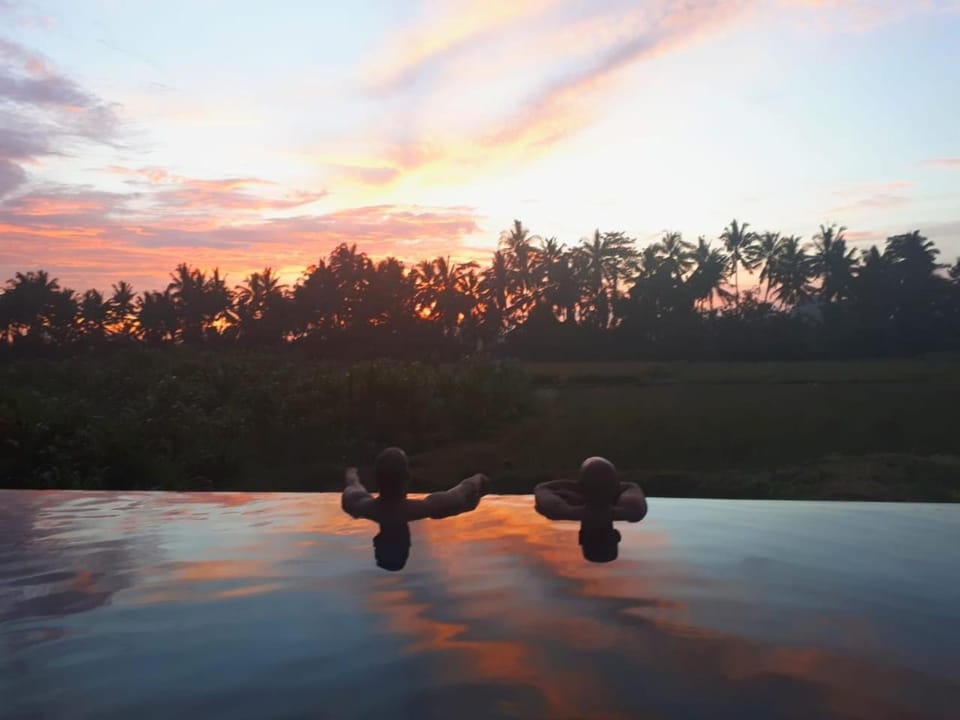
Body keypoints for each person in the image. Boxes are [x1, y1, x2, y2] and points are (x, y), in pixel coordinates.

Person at [341, 447, 489, 571]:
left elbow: (353, 485)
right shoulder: (428, 508)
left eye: (407, 545)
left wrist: (351, 471)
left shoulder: (356, 505)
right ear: (407, 477)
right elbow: (463, 492)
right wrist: (479, 478)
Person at [534, 457, 647, 563]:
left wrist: (575, 487)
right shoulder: (634, 511)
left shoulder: (558, 510)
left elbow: (542, 488)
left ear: (617, 535)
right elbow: (632, 486)